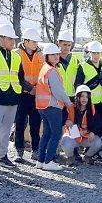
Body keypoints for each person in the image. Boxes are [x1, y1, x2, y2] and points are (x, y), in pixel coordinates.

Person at [0, 23, 26, 168]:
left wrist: (19, 91)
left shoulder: (16, 56)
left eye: (13, 39)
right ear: (1, 38)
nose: (12, 42)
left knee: (7, 129)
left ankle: (2, 156)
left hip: (13, 98)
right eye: (10, 39)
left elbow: (20, 77)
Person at [35, 43, 73, 171]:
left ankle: (40, 161)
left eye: (57, 54)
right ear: (47, 56)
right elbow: (58, 91)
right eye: (53, 54)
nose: (56, 56)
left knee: (46, 134)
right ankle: (49, 161)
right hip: (52, 106)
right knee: (56, 134)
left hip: (43, 106)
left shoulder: (44, 68)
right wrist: (68, 102)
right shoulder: (51, 71)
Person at [14, 27, 43, 162]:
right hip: (22, 94)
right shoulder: (17, 54)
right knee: (20, 123)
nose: (36, 44)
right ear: (25, 41)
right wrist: (29, 87)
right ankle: (19, 151)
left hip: (36, 94)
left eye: (37, 42)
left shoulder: (41, 55)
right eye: (33, 41)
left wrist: (38, 89)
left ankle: (35, 150)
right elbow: (15, 75)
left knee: (35, 123)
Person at [60, 84, 102, 164]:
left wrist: (93, 132)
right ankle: (70, 157)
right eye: (82, 96)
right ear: (77, 97)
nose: (85, 99)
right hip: (72, 137)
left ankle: (88, 156)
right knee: (65, 143)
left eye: (86, 97)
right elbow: (60, 118)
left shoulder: (93, 108)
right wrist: (65, 121)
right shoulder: (70, 107)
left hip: (86, 137)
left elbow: (99, 123)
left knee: (98, 142)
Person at [74, 41, 102, 110]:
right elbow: (78, 85)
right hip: (89, 102)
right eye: (94, 53)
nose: (96, 56)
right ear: (90, 53)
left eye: (98, 53)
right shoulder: (83, 66)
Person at [56, 29, 81, 106]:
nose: (67, 47)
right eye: (64, 45)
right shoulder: (53, 59)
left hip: (72, 96)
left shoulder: (75, 60)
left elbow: (79, 79)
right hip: (57, 97)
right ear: (59, 43)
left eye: (69, 45)